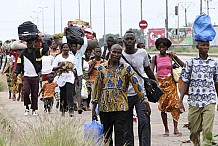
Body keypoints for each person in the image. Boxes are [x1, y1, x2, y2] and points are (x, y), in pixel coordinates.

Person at [92, 44, 148, 146]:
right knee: (107, 136)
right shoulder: (101, 68)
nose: (116, 54)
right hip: (105, 109)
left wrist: (144, 100)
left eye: (119, 52)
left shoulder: (126, 68)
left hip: (121, 108)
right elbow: (97, 88)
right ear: (110, 52)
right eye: (114, 52)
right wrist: (94, 109)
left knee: (120, 135)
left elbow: (136, 85)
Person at [179, 40, 218, 146]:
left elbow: (216, 82)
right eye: (203, 45)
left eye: (207, 45)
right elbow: (185, 82)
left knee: (207, 130)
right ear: (197, 46)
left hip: (209, 99)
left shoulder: (214, 63)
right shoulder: (190, 62)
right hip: (194, 101)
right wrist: (180, 101)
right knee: (194, 131)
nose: (205, 47)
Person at [121, 30, 156, 146]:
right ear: (124, 41)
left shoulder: (142, 53)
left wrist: (155, 83)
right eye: (127, 39)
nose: (129, 41)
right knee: (127, 125)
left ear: (135, 41)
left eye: (132, 39)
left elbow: (147, 69)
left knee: (144, 121)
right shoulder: (120, 56)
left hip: (141, 94)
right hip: (125, 95)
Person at [150, 38, 184, 137]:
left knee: (175, 106)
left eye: (164, 47)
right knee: (163, 108)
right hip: (161, 86)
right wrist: (152, 81)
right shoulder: (155, 58)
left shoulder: (170, 57)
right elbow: (151, 70)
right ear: (157, 47)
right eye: (160, 47)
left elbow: (183, 65)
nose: (162, 49)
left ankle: (176, 129)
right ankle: (166, 129)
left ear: (167, 47)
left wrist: (176, 57)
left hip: (171, 84)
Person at [14, 33, 49, 116]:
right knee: (25, 92)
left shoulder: (37, 51)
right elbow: (19, 65)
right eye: (28, 43)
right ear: (26, 44)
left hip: (35, 76)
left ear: (34, 43)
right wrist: (16, 74)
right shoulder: (22, 53)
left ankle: (34, 109)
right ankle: (26, 107)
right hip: (26, 76)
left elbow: (46, 49)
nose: (30, 44)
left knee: (34, 94)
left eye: (31, 43)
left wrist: (41, 39)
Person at [52, 43, 77, 117]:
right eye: (64, 47)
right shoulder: (58, 57)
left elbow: (75, 68)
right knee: (63, 94)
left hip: (70, 77)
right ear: (61, 49)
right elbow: (53, 68)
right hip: (61, 77)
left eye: (67, 47)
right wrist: (59, 66)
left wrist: (77, 78)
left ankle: (71, 109)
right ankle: (63, 109)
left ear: (69, 49)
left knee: (70, 93)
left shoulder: (72, 57)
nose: (65, 49)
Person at [70, 35, 88, 114]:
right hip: (70, 75)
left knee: (78, 90)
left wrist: (84, 35)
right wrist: (64, 34)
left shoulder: (80, 53)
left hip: (79, 74)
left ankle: (79, 106)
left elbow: (85, 44)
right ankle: (73, 105)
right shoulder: (69, 54)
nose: (74, 47)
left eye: (75, 46)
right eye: (73, 46)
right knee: (71, 91)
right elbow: (64, 43)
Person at [88, 47, 105, 113]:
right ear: (94, 53)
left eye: (99, 52)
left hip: (102, 82)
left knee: (101, 96)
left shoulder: (104, 62)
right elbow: (89, 73)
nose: (98, 53)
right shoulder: (91, 62)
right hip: (93, 81)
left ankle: (99, 111)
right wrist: (93, 65)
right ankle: (94, 111)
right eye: (96, 52)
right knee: (94, 97)